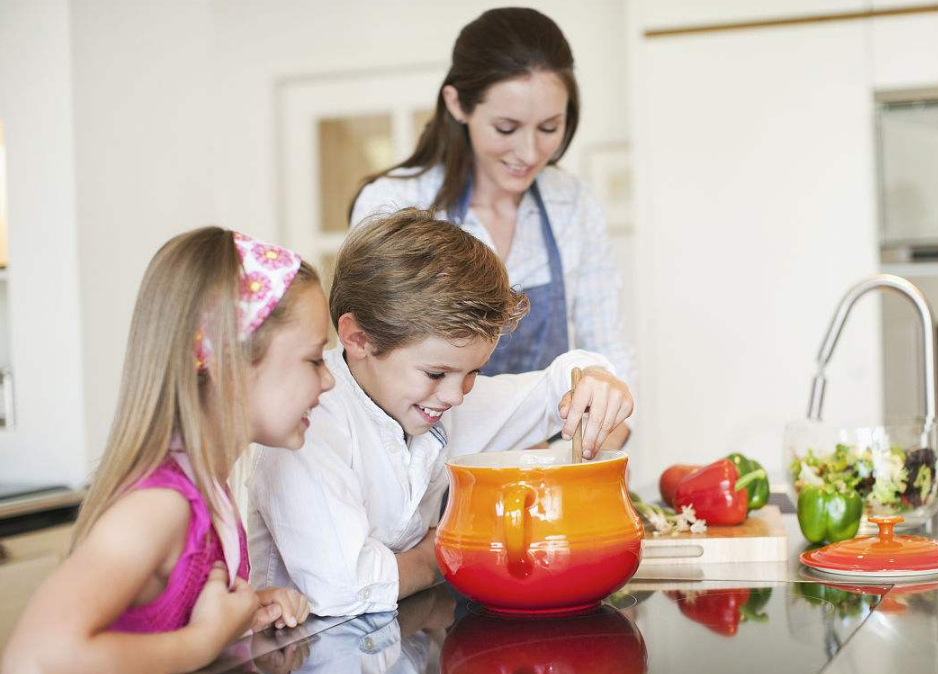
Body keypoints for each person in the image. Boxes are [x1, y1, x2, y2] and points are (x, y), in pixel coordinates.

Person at [248, 209, 633, 617]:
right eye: (436, 372)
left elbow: (552, 390)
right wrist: (441, 551)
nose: (456, 396)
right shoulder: (311, 421)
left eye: (474, 372)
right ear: (358, 338)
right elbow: (344, 587)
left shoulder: (434, 399)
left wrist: (595, 377)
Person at [1, 228, 333, 674]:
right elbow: (34, 660)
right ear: (228, 368)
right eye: (315, 359)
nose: (329, 380)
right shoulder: (160, 507)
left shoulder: (210, 491)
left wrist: (241, 615)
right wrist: (202, 640)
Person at [350, 8, 633, 447]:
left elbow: (609, 357)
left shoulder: (572, 205)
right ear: (457, 104)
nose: (529, 151)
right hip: (428, 471)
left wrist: (584, 454)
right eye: (507, 127)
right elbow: (369, 377)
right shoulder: (395, 203)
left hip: (552, 464)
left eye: (549, 127)